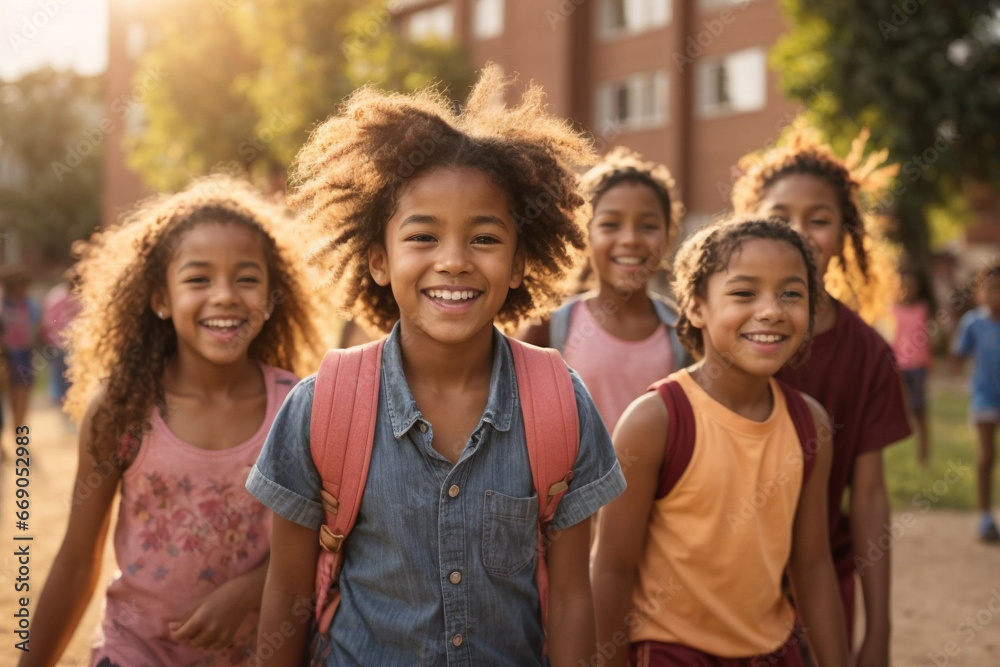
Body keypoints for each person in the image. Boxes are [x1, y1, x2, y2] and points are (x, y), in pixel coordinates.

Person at [246, 64, 626, 666]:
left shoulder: (560, 405)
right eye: (423, 237)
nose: (453, 261)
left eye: (484, 238)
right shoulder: (322, 408)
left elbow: (573, 599)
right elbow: (288, 593)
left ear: (522, 261)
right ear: (378, 259)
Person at [20, 176, 324, 667]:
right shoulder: (123, 408)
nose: (224, 295)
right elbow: (78, 562)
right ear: (160, 298)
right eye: (198, 279)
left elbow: (321, 546)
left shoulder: (299, 407)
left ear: (271, 296)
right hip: (133, 651)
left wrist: (251, 589)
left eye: (246, 278)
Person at [592, 217, 849, 666]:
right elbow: (611, 569)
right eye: (744, 293)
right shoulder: (656, 421)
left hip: (774, 651)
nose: (771, 310)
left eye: (791, 293)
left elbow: (812, 566)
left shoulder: (812, 425)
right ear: (695, 307)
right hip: (671, 653)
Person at [732, 129, 911, 666]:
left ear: (844, 233)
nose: (799, 233)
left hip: (823, 581)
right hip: (722, 575)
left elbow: (871, 497)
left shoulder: (868, 354)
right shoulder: (729, 334)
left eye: (820, 218)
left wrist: (878, 630)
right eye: (780, 214)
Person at [518, 147, 686, 432]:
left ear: (668, 235)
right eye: (610, 224)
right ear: (585, 235)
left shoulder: (684, 332)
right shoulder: (550, 327)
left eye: (647, 226)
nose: (630, 239)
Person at [951, 261, 1000, 542]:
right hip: (984, 398)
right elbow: (958, 355)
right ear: (982, 292)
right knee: (987, 457)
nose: (997, 296)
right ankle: (984, 517)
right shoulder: (975, 323)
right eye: (991, 289)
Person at [892, 266, 934, 467]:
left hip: (917, 367)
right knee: (896, 411)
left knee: (919, 411)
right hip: (898, 367)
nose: (907, 289)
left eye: (911, 285)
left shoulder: (923, 310)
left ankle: (923, 457)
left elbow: (929, 340)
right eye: (903, 285)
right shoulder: (891, 311)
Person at [0, 265, 41, 429]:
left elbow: (37, 323)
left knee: (24, 391)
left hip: (24, 352)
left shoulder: (28, 304)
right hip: (7, 355)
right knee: (9, 393)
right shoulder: (2, 304)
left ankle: (19, 427)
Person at [40, 271, 82, 407]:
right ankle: (61, 401)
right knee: (60, 373)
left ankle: (74, 401)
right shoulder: (56, 298)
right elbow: (50, 320)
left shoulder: (82, 297)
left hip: (79, 344)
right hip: (59, 343)